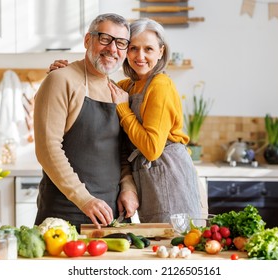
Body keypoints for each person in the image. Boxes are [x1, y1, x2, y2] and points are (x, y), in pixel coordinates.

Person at [48, 18, 202, 223]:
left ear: (161, 51)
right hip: (147, 177)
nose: (140, 56)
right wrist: (62, 74)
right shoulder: (127, 86)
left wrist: (124, 109)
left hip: (169, 173)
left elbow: (152, 149)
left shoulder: (161, 85)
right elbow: (95, 76)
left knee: (173, 242)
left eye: (148, 49)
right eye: (133, 48)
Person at [33, 13, 139, 231]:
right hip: (65, 214)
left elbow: (120, 153)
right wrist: (84, 199)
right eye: (104, 39)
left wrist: (128, 186)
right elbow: (47, 149)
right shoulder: (60, 80)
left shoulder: (119, 93)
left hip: (111, 216)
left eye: (120, 43)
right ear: (87, 40)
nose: (112, 49)